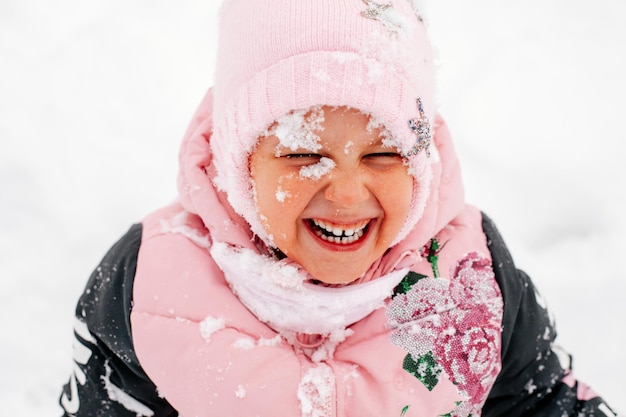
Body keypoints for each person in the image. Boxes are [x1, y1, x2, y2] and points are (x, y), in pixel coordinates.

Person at [59, 1, 620, 416]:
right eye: (304, 152)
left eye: (383, 153)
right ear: (238, 161)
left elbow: (541, 402)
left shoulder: (468, 278)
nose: (348, 194)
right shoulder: (152, 284)